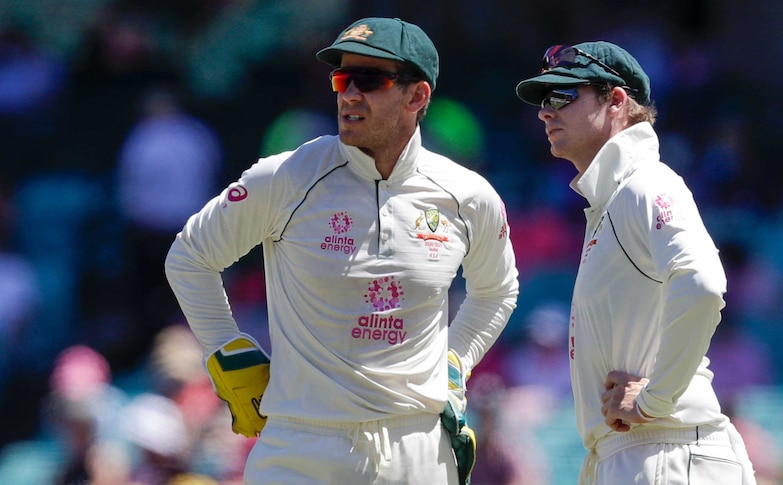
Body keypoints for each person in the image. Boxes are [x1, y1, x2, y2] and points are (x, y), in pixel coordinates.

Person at [165, 16, 518, 485]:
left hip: (418, 449)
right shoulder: (286, 176)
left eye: (369, 80)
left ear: (418, 97)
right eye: (341, 78)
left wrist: (455, 361)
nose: (349, 94)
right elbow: (189, 258)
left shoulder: (466, 195)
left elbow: (498, 289)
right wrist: (228, 353)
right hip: (299, 447)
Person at [514, 41, 755, 483]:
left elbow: (701, 283)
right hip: (641, 451)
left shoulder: (644, 184)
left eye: (563, 96)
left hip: (664, 447)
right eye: (544, 101)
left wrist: (654, 402)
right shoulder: (612, 200)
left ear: (617, 101)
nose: (546, 112)